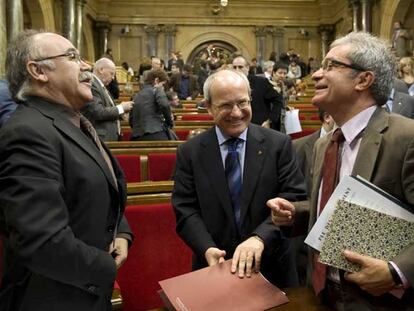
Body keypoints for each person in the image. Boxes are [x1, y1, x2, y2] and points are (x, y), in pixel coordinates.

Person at [269, 31, 414, 309]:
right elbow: (339, 210)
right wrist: (296, 214)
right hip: (322, 294)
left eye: (331, 66)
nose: (316, 75)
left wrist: (397, 271)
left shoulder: (406, 138)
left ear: (363, 79)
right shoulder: (326, 144)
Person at [0, 30, 132, 311]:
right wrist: (105, 267)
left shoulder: (73, 121)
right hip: (52, 298)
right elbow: (42, 240)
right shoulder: (27, 132)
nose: (85, 66)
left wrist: (121, 232)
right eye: (72, 57)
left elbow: (98, 190)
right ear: (38, 71)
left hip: (83, 291)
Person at [172, 69, 306, 288]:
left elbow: (294, 199)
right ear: (208, 106)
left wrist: (260, 237)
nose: (236, 113)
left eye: (242, 103)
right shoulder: (190, 152)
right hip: (214, 267)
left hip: (272, 268)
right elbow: (185, 209)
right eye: (225, 105)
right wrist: (206, 248)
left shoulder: (278, 145)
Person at [82, 58, 133, 141]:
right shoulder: (92, 84)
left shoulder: (101, 86)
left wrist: (121, 114)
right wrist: (121, 108)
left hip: (108, 138)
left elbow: (106, 108)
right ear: (101, 69)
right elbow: (98, 112)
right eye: (111, 73)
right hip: (101, 139)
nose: (113, 78)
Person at [232, 56, 281, 127]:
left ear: (247, 68)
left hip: (259, 126)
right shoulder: (229, 85)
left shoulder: (260, 82)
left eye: (240, 67)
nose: (237, 70)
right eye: (234, 67)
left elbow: (278, 100)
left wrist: (270, 120)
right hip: (238, 126)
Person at [129, 69, 174, 141]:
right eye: (162, 85)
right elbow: (164, 105)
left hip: (137, 137)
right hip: (156, 134)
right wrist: (169, 123)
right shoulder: (157, 89)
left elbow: (131, 119)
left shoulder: (136, 96)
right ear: (156, 81)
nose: (163, 88)